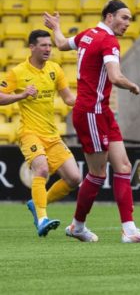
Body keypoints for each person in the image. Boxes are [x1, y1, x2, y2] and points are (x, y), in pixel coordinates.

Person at [43, 0, 140, 243]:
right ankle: (77, 225)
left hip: (101, 111)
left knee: (124, 166)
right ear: (109, 17)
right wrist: (133, 85)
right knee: (97, 173)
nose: (128, 23)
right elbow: (116, 76)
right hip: (90, 112)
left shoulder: (88, 34)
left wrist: (56, 27)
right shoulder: (108, 41)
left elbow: (63, 44)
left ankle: (129, 230)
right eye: (124, 17)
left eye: (130, 19)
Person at [0, 29, 82, 237]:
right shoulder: (18, 72)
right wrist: (22, 95)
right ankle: (42, 218)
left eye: (50, 45)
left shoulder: (55, 69)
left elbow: (68, 99)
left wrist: (88, 101)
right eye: (44, 45)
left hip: (52, 135)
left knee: (74, 178)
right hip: (29, 133)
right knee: (42, 170)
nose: (48, 49)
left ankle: (37, 203)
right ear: (32, 47)